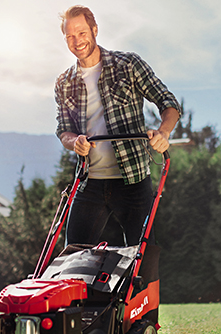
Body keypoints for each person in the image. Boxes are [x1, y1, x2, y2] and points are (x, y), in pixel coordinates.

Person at [55, 5, 181, 247]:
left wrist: (164, 132)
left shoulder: (128, 64)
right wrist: (75, 142)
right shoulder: (64, 82)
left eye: (82, 33)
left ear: (94, 30)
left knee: (142, 257)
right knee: (72, 256)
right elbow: (64, 130)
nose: (77, 41)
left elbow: (168, 103)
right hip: (89, 182)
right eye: (70, 36)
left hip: (133, 181)